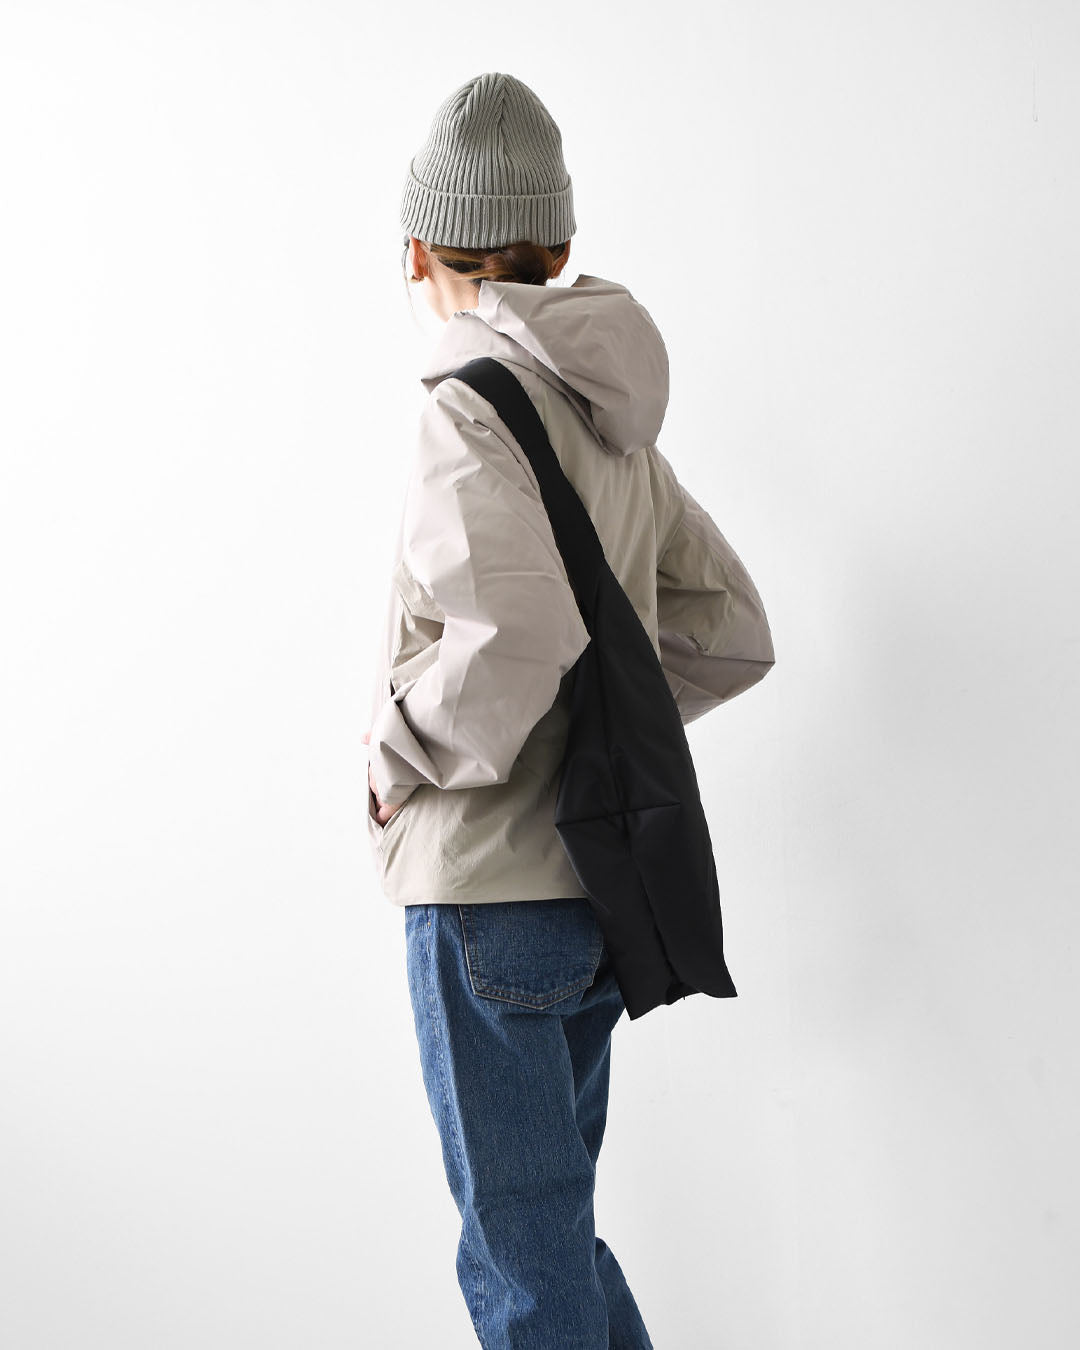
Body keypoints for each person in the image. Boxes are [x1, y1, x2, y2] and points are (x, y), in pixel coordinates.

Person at [364, 71, 775, 1349]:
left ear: (417, 250)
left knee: (524, 1265)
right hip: (594, 890)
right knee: (556, 1241)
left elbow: (518, 638)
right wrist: (605, 719)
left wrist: (397, 750)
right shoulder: (614, 424)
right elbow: (726, 626)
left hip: (487, 890)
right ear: (560, 245)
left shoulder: (466, 409)